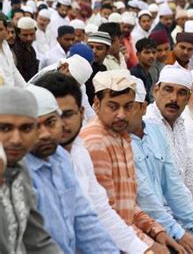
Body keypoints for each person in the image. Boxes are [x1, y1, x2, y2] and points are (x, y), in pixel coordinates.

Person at [34, 73, 151, 253]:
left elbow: (96, 216)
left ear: (81, 113)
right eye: (52, 118)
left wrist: (143, 249)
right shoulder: (23, 166)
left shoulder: (76, 155)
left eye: (67, 115)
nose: (61, 124)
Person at [80, 70, 175, 253]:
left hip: (127, 236)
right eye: (113, 107)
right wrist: (148, 246)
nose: (122, 115)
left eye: (128, 106)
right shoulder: (96, 142)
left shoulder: (122, 136)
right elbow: (107, 216)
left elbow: (128, 207)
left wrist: (157, 232)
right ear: (97, 105)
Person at [130, 74, 193, 254]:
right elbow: (146, 200)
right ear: (155, 92)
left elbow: (174, 184)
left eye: (181, 93)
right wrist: (178, 230)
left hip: (169, 217)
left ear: (142, 107)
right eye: (168, 90)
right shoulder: (119, 138)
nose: (174, 99)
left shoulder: (155, 130)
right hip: (143, 223)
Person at [24, 84, 119, 254]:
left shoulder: (62, 158)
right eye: (34, 126)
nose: (45, 134)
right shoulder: (17, 172)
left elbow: (86, 223)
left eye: (50, 122)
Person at [0, 87, 62, 253]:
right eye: (5, 128)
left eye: (26, 128)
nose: (16, 140)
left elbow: (36, 240)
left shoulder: (21, 169)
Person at [85, 31, 112, 104]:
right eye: (91, 47)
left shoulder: (103, 69)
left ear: (108, 51)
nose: (94, 51)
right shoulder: (84, 70)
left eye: (99, 48)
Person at [0, 17, 25, 86]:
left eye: (0, 29)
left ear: (6, 30)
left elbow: (13, 71)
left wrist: (26, 88)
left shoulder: (5, 46)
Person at [131, 38, 158, 103]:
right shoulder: (135, 74)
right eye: (147, 52)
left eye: (154, 52)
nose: (151, 56)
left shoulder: (149, 72)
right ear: (138, 54)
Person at [12, 16, 38, 81]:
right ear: (18, 34)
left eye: (32, 34)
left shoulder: (31, 49)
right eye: (25, 35)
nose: (29, 38)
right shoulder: (16, 50)